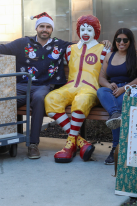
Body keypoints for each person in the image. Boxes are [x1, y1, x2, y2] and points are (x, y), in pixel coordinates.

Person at [0, 12, 111, 159]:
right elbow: (3, 49)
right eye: (42, 26)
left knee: (39, 99)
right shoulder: (23, 43)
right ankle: (5, 141)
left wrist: (104, 43)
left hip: (44, 86)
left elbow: (85, 47)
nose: (45, 29)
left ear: (52, 30)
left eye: (48, 27)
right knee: (3, 99)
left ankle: (33, 145)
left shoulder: (60, 45)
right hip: (23, 85)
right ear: (37, 28)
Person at [44, 15, 111, 163]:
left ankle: (69, 146)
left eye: (89, 29)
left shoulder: (103, 49)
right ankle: (80, 142)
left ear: (96, 32)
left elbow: (123, 59)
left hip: (90, 88)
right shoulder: (70, 49)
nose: (85, 32)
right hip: (70, 86)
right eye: (82, 29)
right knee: (50, 98)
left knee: (80, 101)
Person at [97, 28, 137, 165]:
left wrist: (124, 88)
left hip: (131, 89)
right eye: (118, 39)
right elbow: (102, 78)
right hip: (114, 89)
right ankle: (115, 114)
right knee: (101, 91)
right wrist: (109, 85)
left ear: (130, 41)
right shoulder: (110, 55)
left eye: (125, 40)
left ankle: (116, 148)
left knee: (120, 103)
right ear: (115, 40)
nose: (121, 42)